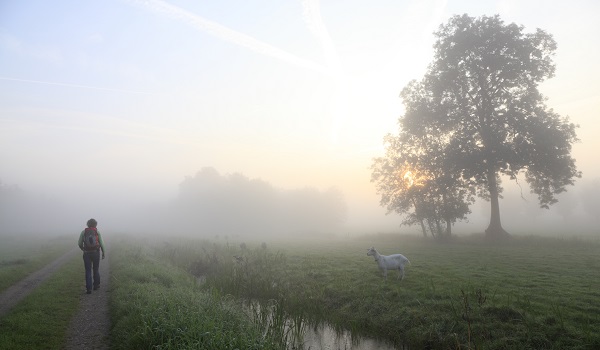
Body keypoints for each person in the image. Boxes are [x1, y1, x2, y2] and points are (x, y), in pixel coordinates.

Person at [77, 218, 106, 294]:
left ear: (88, 224)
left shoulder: (83, 232)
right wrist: (103, 252)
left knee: (88, 270)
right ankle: (96, 285)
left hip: (86, 253)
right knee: (96, 269)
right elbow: (102, 243)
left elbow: (79, 243)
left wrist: (82, 248)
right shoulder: (97, 232)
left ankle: (89, 288)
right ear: (95, 224)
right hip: (96, 252)